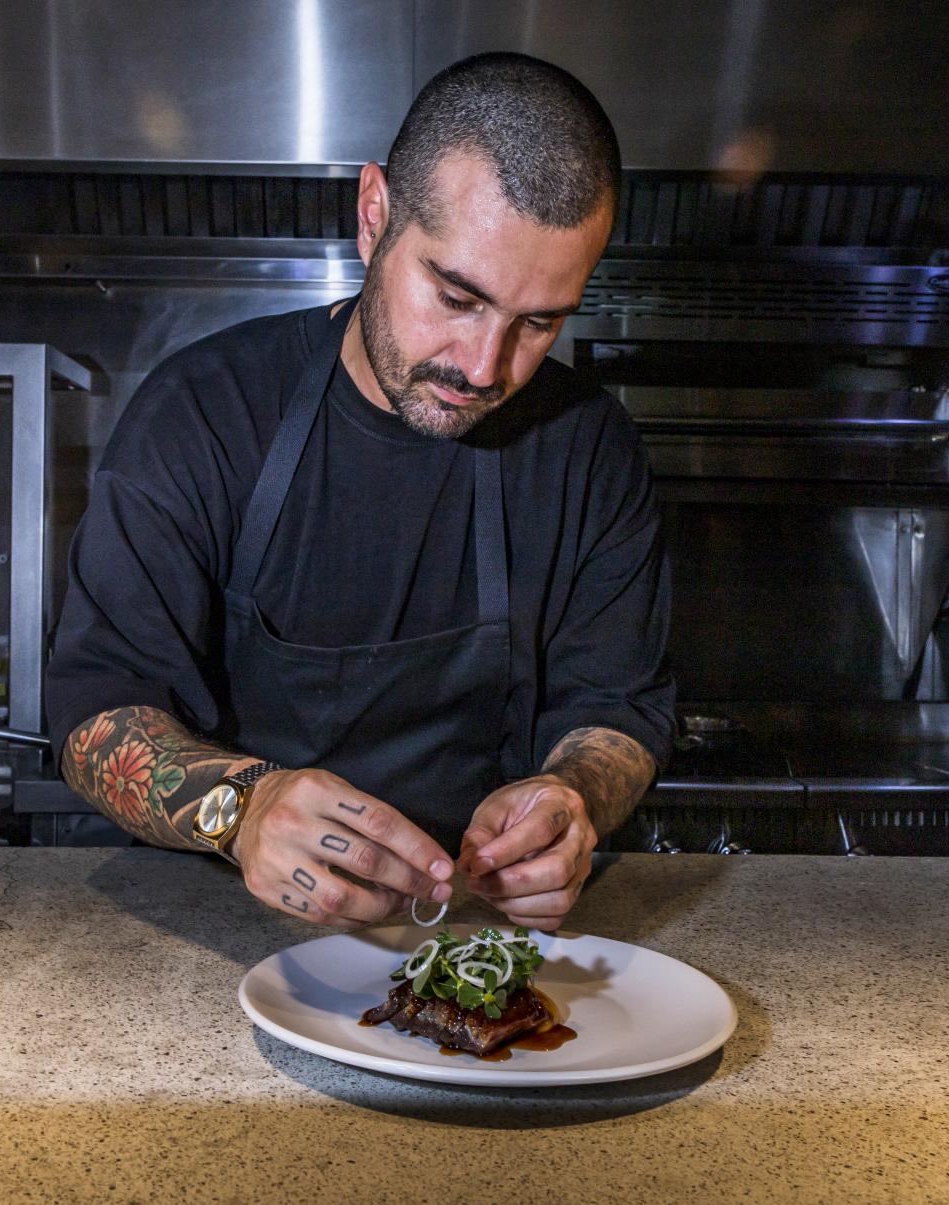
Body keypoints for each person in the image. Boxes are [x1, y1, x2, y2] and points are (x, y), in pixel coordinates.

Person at [46, 52, 672, 931]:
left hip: (472, 936)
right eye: (455, 296)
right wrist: (244, 808)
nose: (484, 366)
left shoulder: (589, 449)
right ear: (374, 216)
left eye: (537, 322)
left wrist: (574, 798)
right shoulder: (204, 413)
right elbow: (95, 717)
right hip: (222, 928)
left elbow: (618, 708)